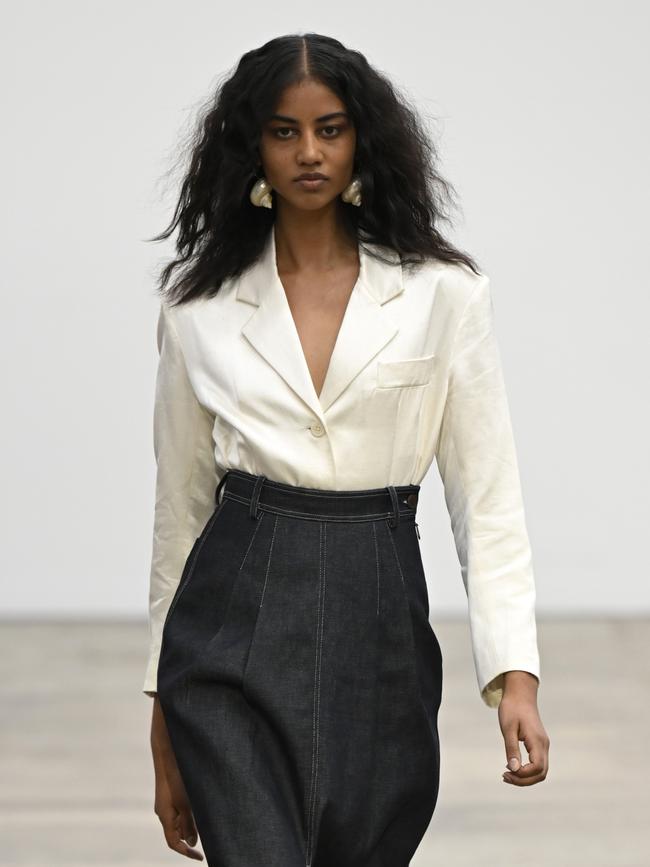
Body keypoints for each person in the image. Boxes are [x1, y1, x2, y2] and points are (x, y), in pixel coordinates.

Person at [143, 32, 550, 867]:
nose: (309, 152)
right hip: (231, 628)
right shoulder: (199, 313)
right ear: (251, 144)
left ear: (362, 136)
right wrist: (160, 716)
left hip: (381, 629)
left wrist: (516, 672)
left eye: (329, 128)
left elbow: (487, 493)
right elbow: (179, 515)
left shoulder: (445, 295)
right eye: (284, 131)